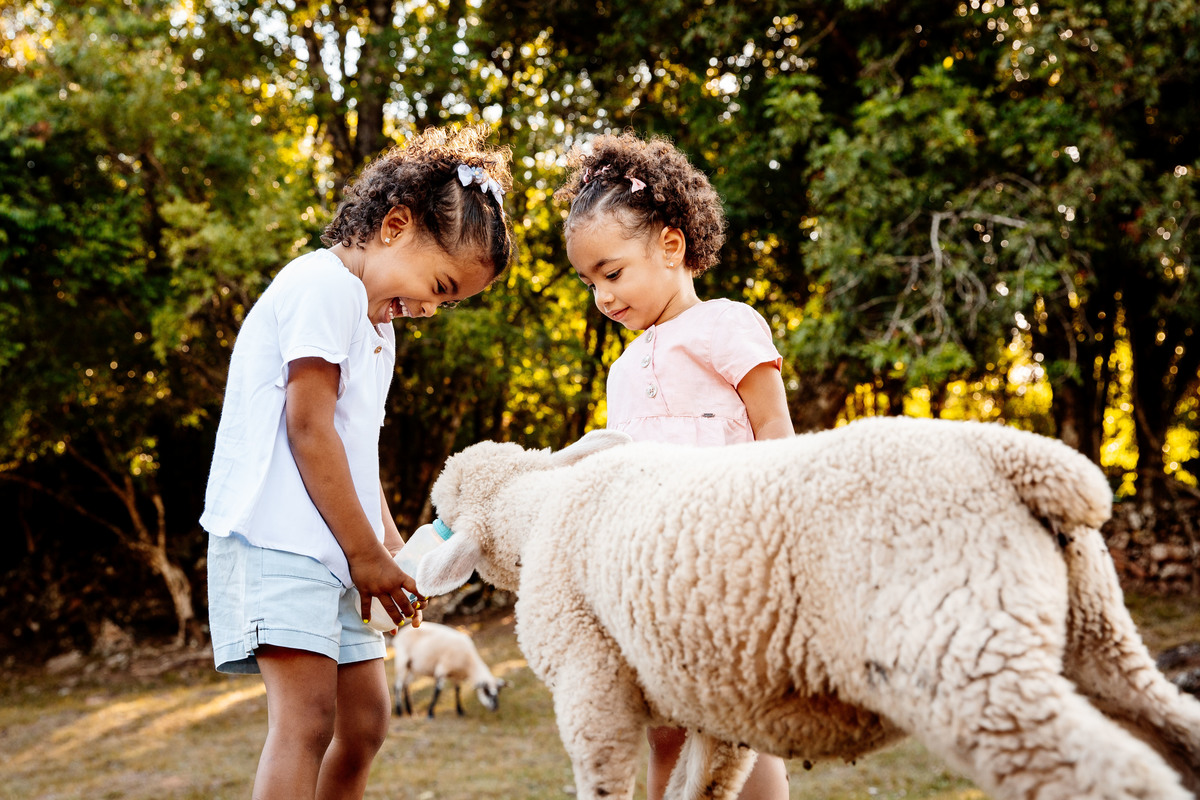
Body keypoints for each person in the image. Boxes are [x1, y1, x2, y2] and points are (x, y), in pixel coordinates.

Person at [200, 125, 513, 800]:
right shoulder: (322, 285)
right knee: (307, 721)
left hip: (338, 549)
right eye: (439, 285)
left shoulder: (379, 328)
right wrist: (366, 554)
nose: (431, 308)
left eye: (449, 303)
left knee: (366, 722)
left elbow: (356, 452)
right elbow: (309, 428)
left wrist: (392, 549)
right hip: (279, 540)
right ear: (395, 226)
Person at [555, 132, 794, 799]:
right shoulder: (623, 369)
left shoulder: (726, 325)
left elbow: (775, 430)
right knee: (663, 727)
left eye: (612, 273)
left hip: (729, 561)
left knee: (737, 720)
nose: (602, 296)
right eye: (589, 282)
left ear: (670, 245)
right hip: (652, 575)